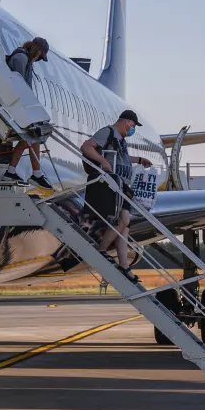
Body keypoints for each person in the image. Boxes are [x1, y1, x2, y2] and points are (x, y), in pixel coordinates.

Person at [80, 110, 152, 282]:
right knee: (123, 220)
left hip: (122, 185)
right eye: (133, 126)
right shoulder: (107, 132)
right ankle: (102, 250)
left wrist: (139, 160)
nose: (133, 129)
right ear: (127, 122)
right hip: (112, 185)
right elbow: (86, 147)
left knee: (124, 227)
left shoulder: (121, 140)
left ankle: (125, 266)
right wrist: (103, 162)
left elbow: (122, 158)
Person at [0, 37, 54, 189]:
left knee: (29, 137)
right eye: (40, 57)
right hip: (15, 106)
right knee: (35, 134)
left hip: (20, 106)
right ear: (37, 51)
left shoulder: (25, 60)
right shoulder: (21, 59)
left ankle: (11, 171)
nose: (38, 60)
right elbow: (17, 86)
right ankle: (36, 174)